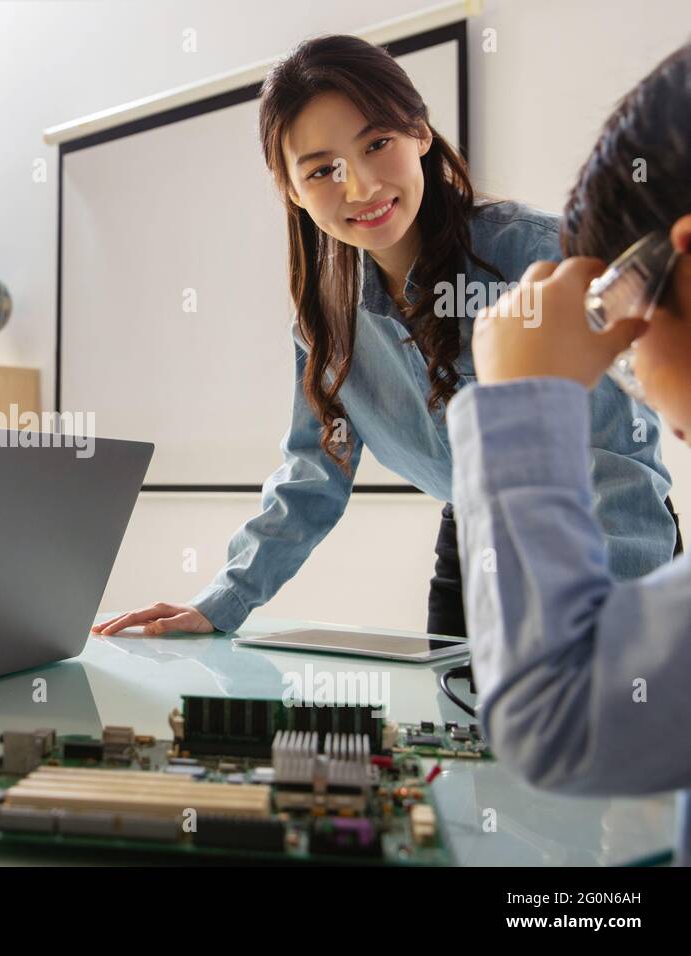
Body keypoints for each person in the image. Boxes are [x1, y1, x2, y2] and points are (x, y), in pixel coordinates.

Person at [93, 34, 677, 639]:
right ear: (290, 188)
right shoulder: (326, 314)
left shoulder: (538, 257)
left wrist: (621, 639)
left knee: (603, 726)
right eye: (322, 170)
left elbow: (616, 461)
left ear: (420, 132)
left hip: (602, 531)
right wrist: (221, 603)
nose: (361, 188)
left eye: (377, 143)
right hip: (473, 541)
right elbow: (316, 469)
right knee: (458, 730)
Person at [450, 42, 691, 864]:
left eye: (621, 335)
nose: (631, 379)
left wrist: (518, 403)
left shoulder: (506, 242)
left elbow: (553, 714)